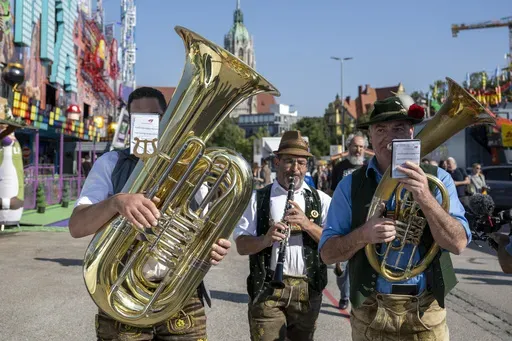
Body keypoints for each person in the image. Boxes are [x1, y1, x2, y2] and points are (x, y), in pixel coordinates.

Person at [69, 87, 231, 341]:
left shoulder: (195, 167)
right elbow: (76, 226)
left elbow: (204, 232)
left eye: (154, 117)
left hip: (180, 296)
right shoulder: (111, 163)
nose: (146, 124)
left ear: (167, 118)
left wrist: (212, 246)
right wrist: (116, 203)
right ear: (129, 123)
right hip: (121, 295)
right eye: (137, 119)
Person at [320, 96, 471, 341]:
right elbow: (327, 254)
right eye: (380, 129)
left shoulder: (438, 180)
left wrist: (425, 197)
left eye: (398, 128)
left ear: (412, 132)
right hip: (371, 312)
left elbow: (458, 243)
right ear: (370, 135)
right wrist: (364, 235)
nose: (389, 137)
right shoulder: (349, 186)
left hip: (426, 312)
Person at [234, 130, 332, 341]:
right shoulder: (257, 198)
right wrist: (265, 240)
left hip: (308, 290)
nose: (295, 169)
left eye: (301, 163)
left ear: (307, 166)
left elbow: (334, 245)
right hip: (267, 288)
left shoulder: (322, 200)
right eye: (288, 161)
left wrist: (307, 225)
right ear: (276, 162)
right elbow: (241, 246)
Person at [330, 131, 368, 310]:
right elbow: (331, 193)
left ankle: (356, 297)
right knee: (341, 265)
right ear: (348, 147)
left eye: (361, 146)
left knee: (362, 262)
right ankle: (344, 294)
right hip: (344, 221)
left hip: (365, 221)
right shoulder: (339, 167)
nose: (358, 149)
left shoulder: (370, 166)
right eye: (355, 146)